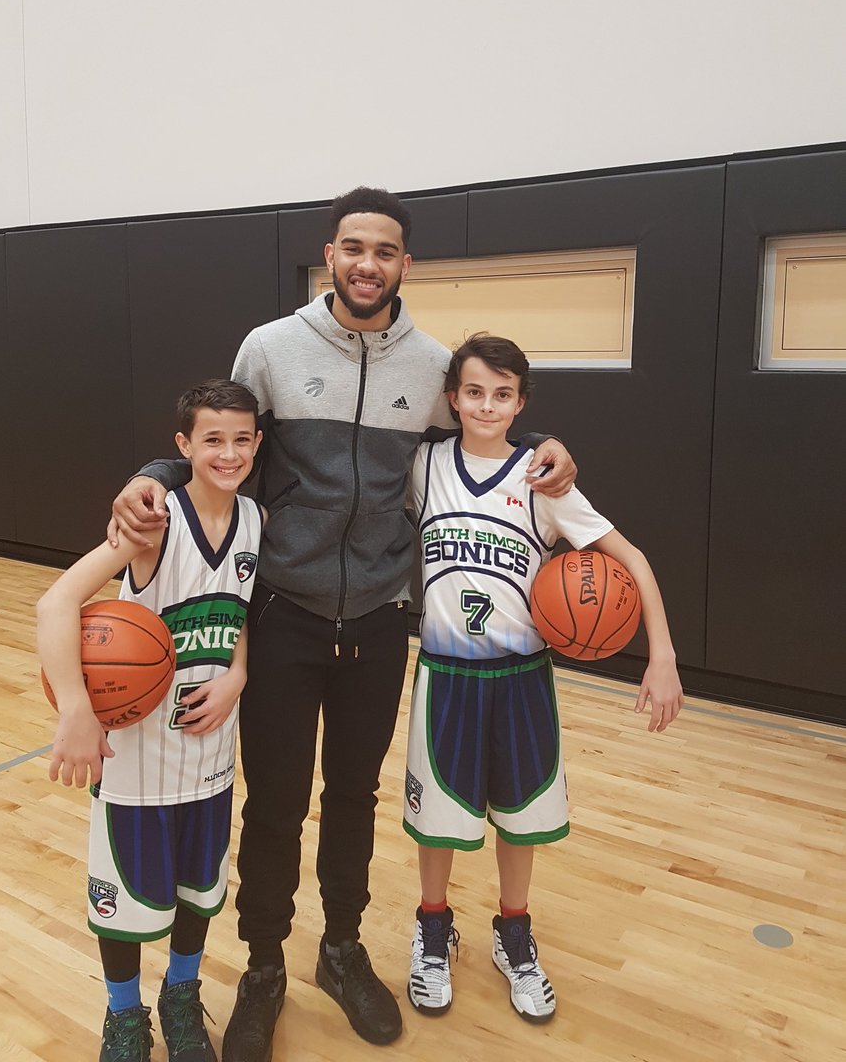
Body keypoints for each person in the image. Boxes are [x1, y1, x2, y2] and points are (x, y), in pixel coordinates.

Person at [108, 187, 579, 1062]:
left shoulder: (432, 364)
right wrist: (152, 473)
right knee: (278, 803)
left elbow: (486, 431)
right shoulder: (273, 348)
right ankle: (261, 969)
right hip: (282, 615)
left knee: (353, 800)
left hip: (376, 619)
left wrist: (548, 448)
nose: (369, 263)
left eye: (387, 251)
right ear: (331, 254)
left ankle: (341, 948)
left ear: (407, 265)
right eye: (354, 247)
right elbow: (222, 439)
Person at [403, 333, 683, 1023]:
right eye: (474, 392)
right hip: (445, 674)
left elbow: (633, 557)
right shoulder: (424, 464)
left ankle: (514, 932)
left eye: (502, 395)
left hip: (523, 676)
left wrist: (664, 654)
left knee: (521, 822)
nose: (486, 405)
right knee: (438, 825)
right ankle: (433, 929)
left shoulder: (543, 478)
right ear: (453, 397)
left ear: (521, 402)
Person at [38, 380, 265, 1062]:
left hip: (211, 756)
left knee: (200, 893)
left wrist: (239, 674)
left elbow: (244, 609)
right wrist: (76, 709)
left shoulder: (256, 521)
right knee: (126, 906)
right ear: (183, 446)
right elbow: (56, 604)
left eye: (241, 439)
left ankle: (182, 996)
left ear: (257, 443)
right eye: (212, 439)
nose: (228, 453)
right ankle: (123, 1015)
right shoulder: (153, 521)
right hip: (135, 761)